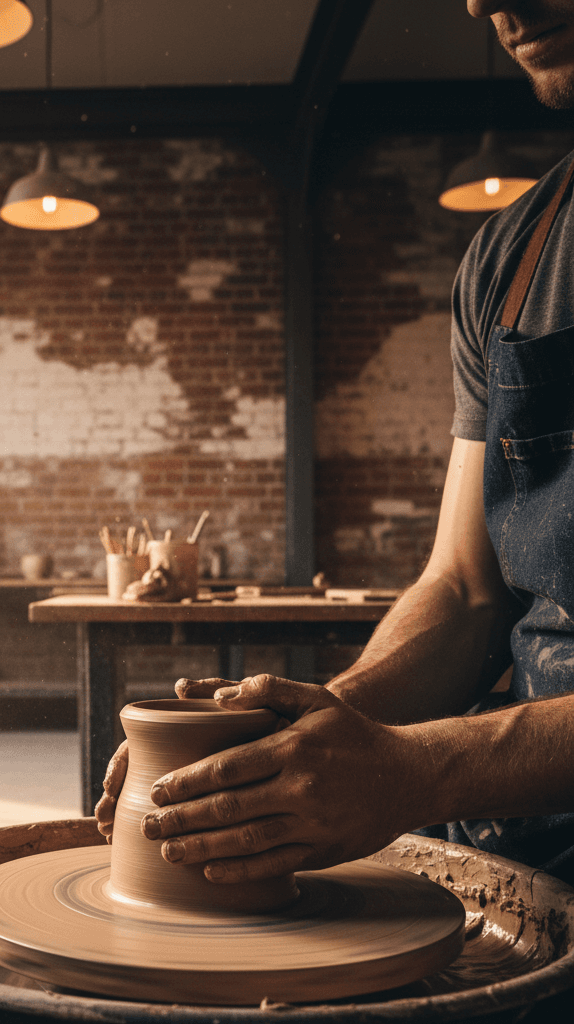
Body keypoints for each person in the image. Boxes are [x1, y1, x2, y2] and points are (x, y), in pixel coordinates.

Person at [95, 0, 574, 888]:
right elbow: (466, 590)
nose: (483, 3)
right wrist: (301, 727)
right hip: (527, 827)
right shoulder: (512, 258)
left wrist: (416, 770)